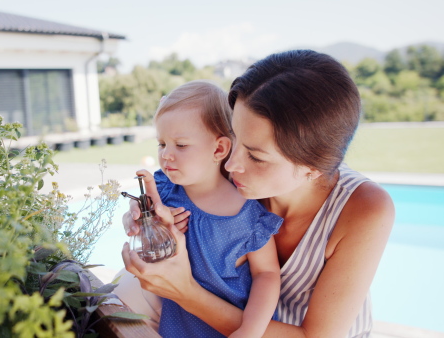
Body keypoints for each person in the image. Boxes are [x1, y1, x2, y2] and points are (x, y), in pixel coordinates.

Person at [119, 50, 395, 337]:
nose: (231, 162)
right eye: (235, 136)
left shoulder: (364, 209)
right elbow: (167, 190)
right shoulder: (224, 171)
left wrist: (186, 293)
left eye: (256, 156)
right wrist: (147, 216)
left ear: (312, 168)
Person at [115, 80, 284, 338]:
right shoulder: (164, 189)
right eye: (162, 144)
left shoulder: (246, 214)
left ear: (219, 149)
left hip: (224, 327)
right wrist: (138, 217)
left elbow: (267, 274)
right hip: (177, 325)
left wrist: (251, 330)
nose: (166, 155)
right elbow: (144, 211)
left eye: (180, 145)